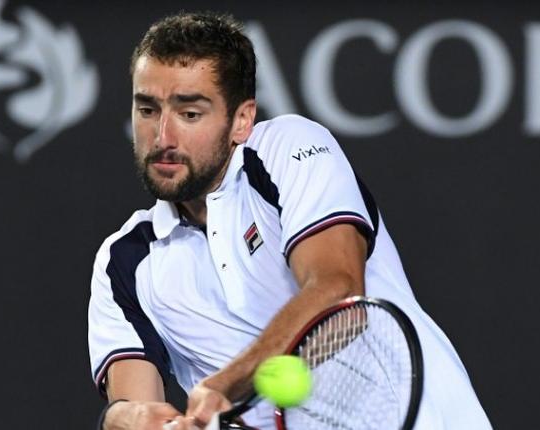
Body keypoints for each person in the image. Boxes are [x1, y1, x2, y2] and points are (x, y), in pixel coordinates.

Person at [88, 11, 491, 430]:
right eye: (148, 110)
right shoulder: (123, 262)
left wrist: (225, 386)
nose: (162, 137)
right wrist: (129, 419)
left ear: (241, 121)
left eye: (190, 114)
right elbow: (135, 404)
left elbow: (339, 296)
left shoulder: (287, 148)